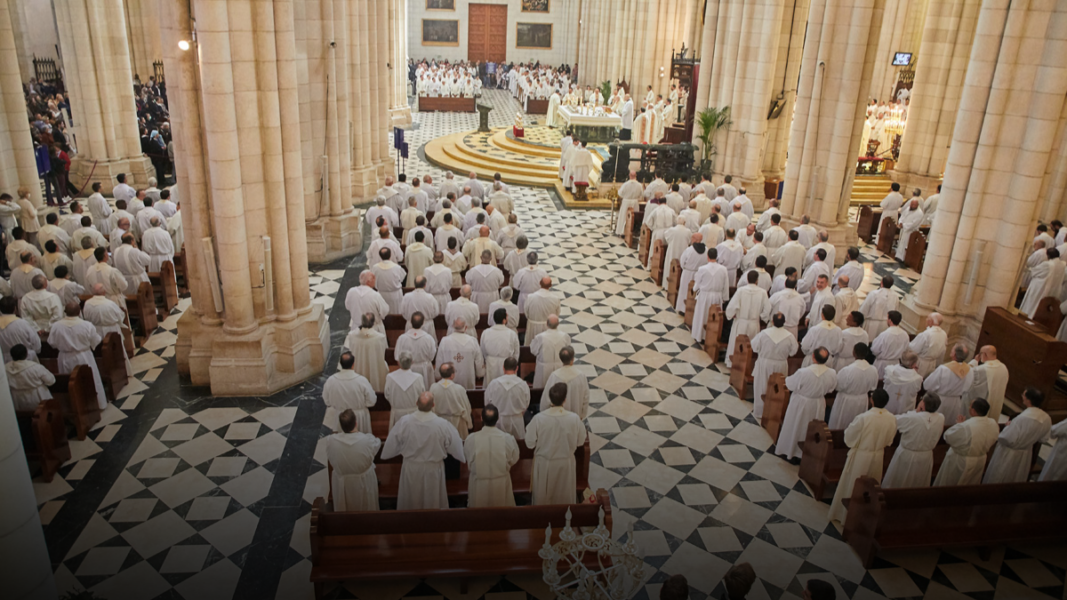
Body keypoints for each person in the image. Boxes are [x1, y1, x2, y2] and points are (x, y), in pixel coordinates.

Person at [380, 392, 465, 510]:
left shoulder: (404, 422)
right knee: (433, 502)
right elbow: (455, 444)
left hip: (412, 468)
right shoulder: (442, 424)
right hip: (433, 469)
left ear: (416, 404)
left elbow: (391, 444)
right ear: (433, 405)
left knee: (411, 502)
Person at [828, 389, 897, 523]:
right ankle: (864, 517)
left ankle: (846, 517)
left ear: (872, 400)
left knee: (853, 485)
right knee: (869, 489)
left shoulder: (864, 418)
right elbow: (890, 441)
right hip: (878, 456)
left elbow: (849, 437)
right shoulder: (892, 418)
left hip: (861, 456)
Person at [526, 382, 587, 505]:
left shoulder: (539, 418)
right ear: (565, 400)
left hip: (544, 465)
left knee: (543, 501)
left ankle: (543, 522)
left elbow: (529, 443)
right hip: (565, 464)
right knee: (564, 501)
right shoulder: (574, 418)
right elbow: (581, 441)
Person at [777, 348, 838, 460]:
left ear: (813, 357)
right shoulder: (832, 373)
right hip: (818, 403)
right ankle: (806, 453)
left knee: (796, 425)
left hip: (801, 403)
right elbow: (831, 389)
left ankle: (790, 450)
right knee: (810, 429)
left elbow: (790, 385)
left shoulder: (803, 372)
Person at [983, 387, 1051, 483]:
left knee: (1000, 475)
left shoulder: (1021, 418)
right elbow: (1044, 439)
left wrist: (1007, 427)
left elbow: (1006, 438)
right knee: (1017, 476)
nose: (1022, 397)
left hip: (1009, 453)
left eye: (1023, 395)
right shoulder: (1045, 417)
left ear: (1028, 400)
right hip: (1025, 453)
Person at [48, 303, 106, 408]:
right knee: (89, 380)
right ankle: (95, 404)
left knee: (70, 382)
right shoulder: (87, 325)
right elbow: (96, 340)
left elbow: (52, 343)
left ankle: (74, 406)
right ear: (79, 312)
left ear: (65, 311)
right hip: (83, 356)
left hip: (64, 357)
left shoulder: (56, 326)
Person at [882, 394, 946, 488]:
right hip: (926, 456)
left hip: (907, 455)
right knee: (919, 483)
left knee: (899, 482)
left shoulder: (912, 418)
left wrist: (916, 411)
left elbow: (892, 421)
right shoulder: (941, 417)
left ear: (923, 404)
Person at [464, 404, 520, 508]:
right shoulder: (508, 439)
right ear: (498, 418)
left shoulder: (471, 439)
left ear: (481, 418)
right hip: (501, 483)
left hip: (479, 485)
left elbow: (468, 457)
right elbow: (514, 458)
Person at [933, 398, 999, 486]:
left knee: (952, 483)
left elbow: (948, 436)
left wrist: (960, 424)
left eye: (970, 406)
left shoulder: (967, 426)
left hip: (962, 461)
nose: (968, 407)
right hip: (981, 459)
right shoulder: (993, 423)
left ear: (973, 411)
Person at [326, 409, 381, 511]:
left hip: (342, 484)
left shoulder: (331, 441)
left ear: (341, 426)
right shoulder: (367, 440)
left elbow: (330, 457)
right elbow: (377, 445)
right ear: (356, 423)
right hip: (363, 482)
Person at [750, 313, 798, 420]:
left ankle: (760, 412)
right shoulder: (789, 336)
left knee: (761, 386)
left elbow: (754, 347)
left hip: (765, 364)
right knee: (777, 389)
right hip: (780, 365)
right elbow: (793, 352)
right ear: (784, 323)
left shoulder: (764, 333)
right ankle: (773, 413)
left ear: (772, 321)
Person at [724, 270, 771, 367]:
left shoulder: (741, 290)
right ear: (757, 280)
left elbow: (731, 306)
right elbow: (767, 310)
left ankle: (733, 363)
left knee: (737, 345)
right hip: (754, 324)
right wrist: (761, 317)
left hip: (741, 322)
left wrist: (732, 314)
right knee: (750, 346)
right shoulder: (763, 292)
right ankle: (747, 366)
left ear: (747, 279)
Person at [828, 343, 880, 429]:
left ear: (853, 353)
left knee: (841, 424)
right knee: (857, 426)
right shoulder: (873, 370)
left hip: (846, 401)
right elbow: (873, 387)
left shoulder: (847, 370)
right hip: (862, 400)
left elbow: (838, 386)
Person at [322, 352, 377, 434]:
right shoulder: (361, 380)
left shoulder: (331, 380)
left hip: (341, 416)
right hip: (359, 417)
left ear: (341, 364)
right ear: (353, 365)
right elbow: (372, 401)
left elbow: (327, 401)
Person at [924, 343, 975, 422]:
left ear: (954, 354)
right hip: (956, 402)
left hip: (939, 401)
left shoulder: (943, 369)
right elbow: (968, 387)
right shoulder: (969, 370)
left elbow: (927, 385)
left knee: (935, 422)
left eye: (952, 349)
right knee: (948, 423)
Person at [486, 357, 530, 440]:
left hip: (499, 420)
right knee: (518, 445)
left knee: (500, 444)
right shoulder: (523, 384)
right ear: (517, 368)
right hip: (517, 419)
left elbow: (487, 403)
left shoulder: (494, 383)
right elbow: (526, 403)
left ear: (503, 368)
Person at [692, 248, 730, 344]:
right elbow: (726, 285)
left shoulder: (702, 269)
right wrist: (725, 298)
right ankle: (712, 337)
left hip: (704, 296)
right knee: (714, 318)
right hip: (717, 296)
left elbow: (697, 284)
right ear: (716, 256)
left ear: (707, 256)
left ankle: (700, 336)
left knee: (702, 315)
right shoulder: (723, 269)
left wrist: (694, 289)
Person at [343, 313, 388, 392]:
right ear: (373, 322)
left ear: (362, 322)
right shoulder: (380, 338)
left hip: (359, 367)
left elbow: (351, 350)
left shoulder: (352, 336)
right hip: (375, 368)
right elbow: (382, 353)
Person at [435, 318, 485, 388]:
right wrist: (480, 373)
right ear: (466, 327)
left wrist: (438, 374)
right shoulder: (472, 341)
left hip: (449, 378)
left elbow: (439, 359)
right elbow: (479, 360)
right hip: (467, 377)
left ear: (453, 327)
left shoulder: (445, 341)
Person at [965, 345, 1009, 422]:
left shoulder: (982, 370)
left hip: (983, 403)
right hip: (996, 401)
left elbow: (966, 374)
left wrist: (974, 362)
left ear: (984, 354)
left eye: (980, 353)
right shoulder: (1003, 367)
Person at [542, 346, 589, 419]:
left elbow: (546, 399)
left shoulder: (554, 376)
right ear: (573, 359)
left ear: (561, 359)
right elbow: (586, 398)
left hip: (556, 418)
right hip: (575, 418)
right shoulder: (581, 376)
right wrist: (582, 415)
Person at [429, 363, 474, 439]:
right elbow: (466, 408)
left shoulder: (433, 388)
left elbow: (430, 407)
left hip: (439, 421)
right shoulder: (459, 389)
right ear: (452, 375)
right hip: (458, 423)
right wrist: (469, 423)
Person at [5, 344, 55, 411]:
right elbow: (51, 381)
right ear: (26, 354)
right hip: (37, 397)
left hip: (17, 399)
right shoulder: (35, 367)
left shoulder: (5, 369)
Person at [1019, 248, 1063, 317]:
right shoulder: (1063, 265)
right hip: (1054, 289)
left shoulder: (1047, 264)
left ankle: (1029, 316)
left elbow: (1034, 272)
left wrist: (1025, 267)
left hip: (1041, 288)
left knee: (1033, 305)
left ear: (1048, 256)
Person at [481, 309, 520, 385]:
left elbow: (483, 351)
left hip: (491, 364)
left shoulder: (486, 332)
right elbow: (516, 353)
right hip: (507, 365)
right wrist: (512, 364)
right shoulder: (512, 333)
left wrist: (488, 359)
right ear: (504, 320)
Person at [531, 315, 570, 388]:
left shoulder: (540, 337)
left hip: (543, 369)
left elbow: (533, 351)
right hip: (559, 368)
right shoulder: (565, 336)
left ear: (547, 324)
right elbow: (568, 351)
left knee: (542, 391)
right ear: (558, 324)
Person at [870, 311, 910, 379]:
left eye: (887, 318)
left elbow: (874, 349)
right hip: (896, 364)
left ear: (890, 320)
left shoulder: (885, 335)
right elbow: (906, 350)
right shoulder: (905, 334)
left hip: (883, 364)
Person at [859, 276, 898, 340]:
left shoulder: (874, 293)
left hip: (872, 324)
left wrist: (860, 320)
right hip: (886, 324)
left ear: (881, 282)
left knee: (869, 342)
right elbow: (895, 311)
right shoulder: (895, 296)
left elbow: (864, 308)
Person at [371, 248, 406, 314]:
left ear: (380, 256)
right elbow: (402, 278)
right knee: (396, 313)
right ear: (390, 255)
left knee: (383, 315)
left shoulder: (375, 268)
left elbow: (373, 279)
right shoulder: (397, 267)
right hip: (395, 296)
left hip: (381, 295)